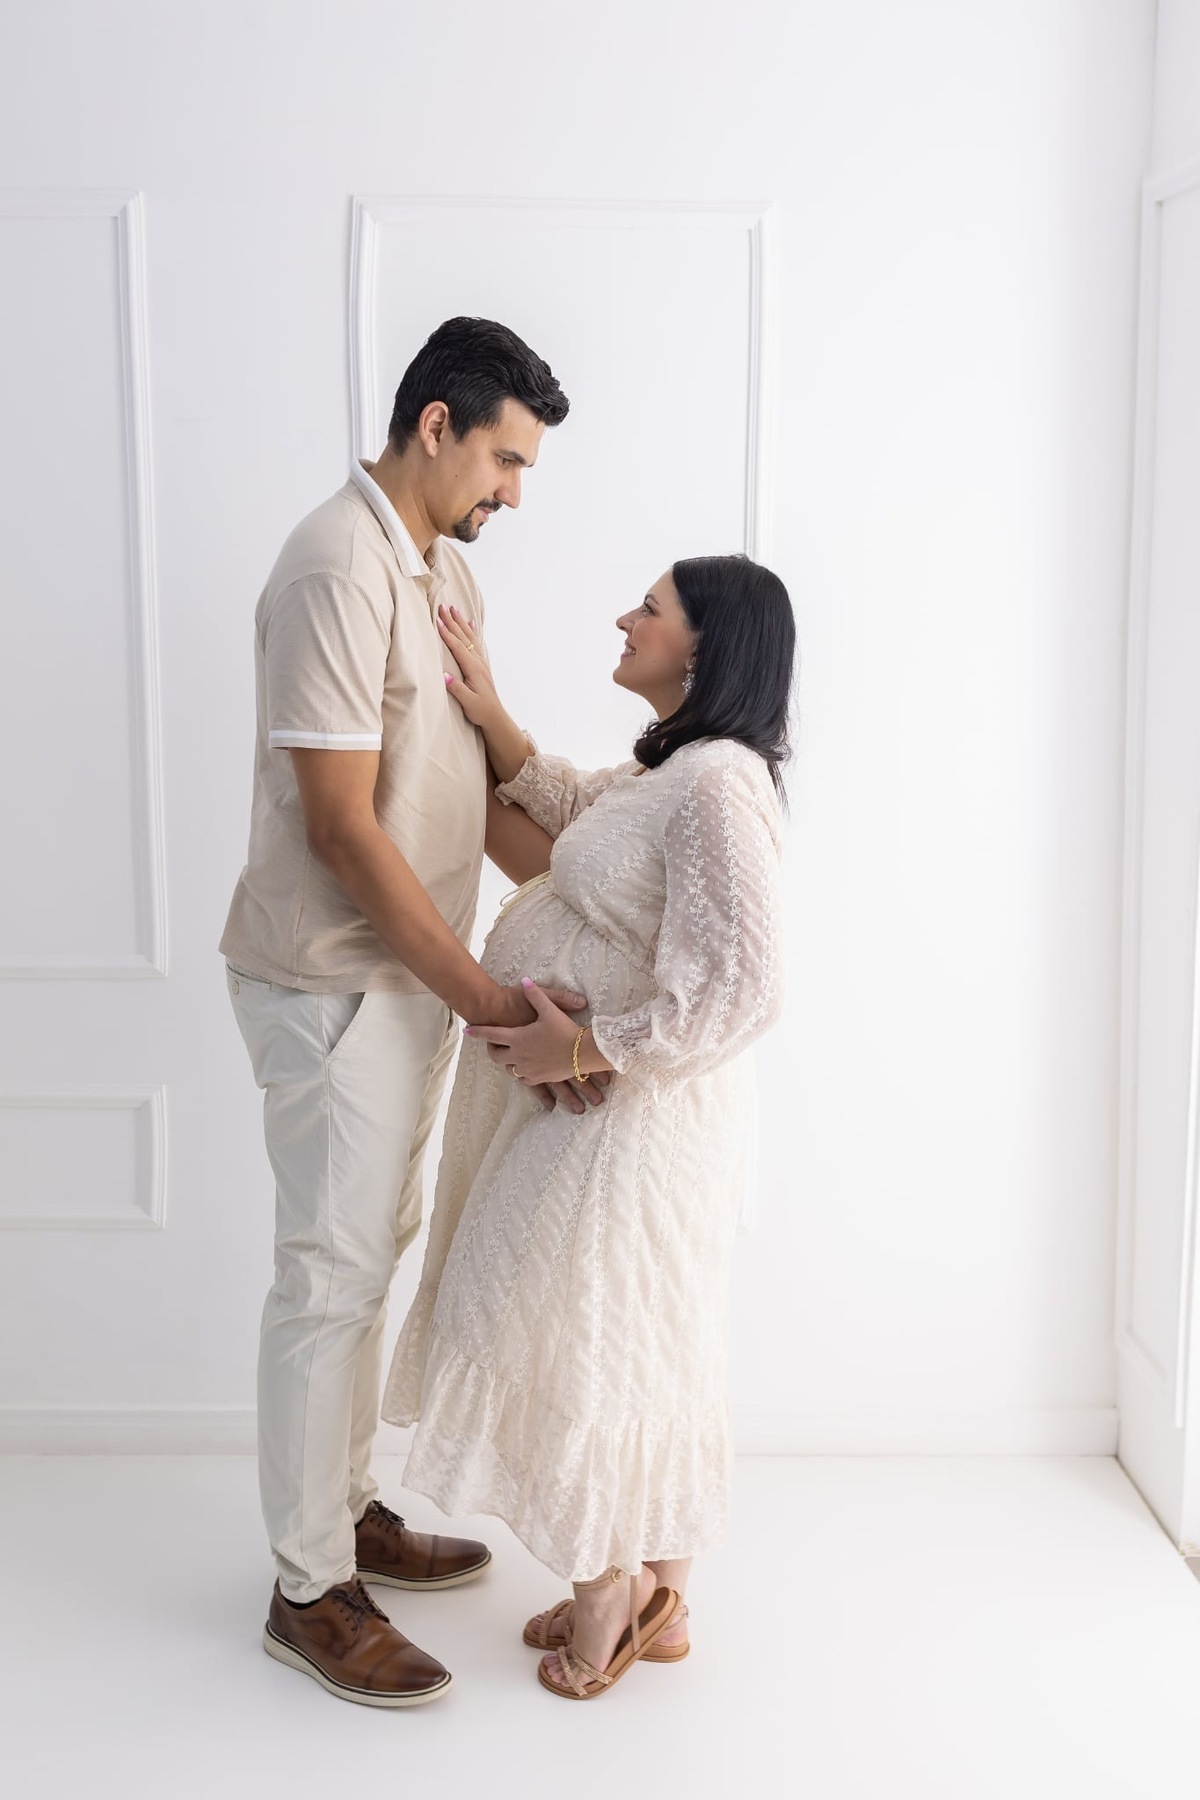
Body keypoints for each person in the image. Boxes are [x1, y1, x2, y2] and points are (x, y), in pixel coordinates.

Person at [219, 316, 597, 1709]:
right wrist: (493, 995)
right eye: (505, 456)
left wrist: (602, 908)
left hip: (409, 983)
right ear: (434, 423)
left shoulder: (437, 571)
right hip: (334, 976)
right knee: (329, 1278)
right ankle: (308, 1588)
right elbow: (339, 830)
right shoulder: (334, 565)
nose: (514, 492)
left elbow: (468, 803)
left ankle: (347, 1506)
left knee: (367, 1254)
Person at [383, 553, 795, 1700]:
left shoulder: (719, 785)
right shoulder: (671, 773)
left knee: (567, 1330)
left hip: (635, 1121)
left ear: (707, 644)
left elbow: (748, 985)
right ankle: (658, 1589)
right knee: (620, 1336)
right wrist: (488, 704)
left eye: (650, 609)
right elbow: (565, 819)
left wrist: (584, 1044)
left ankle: (609, 1585)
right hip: (608, 1118)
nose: (625, 617)